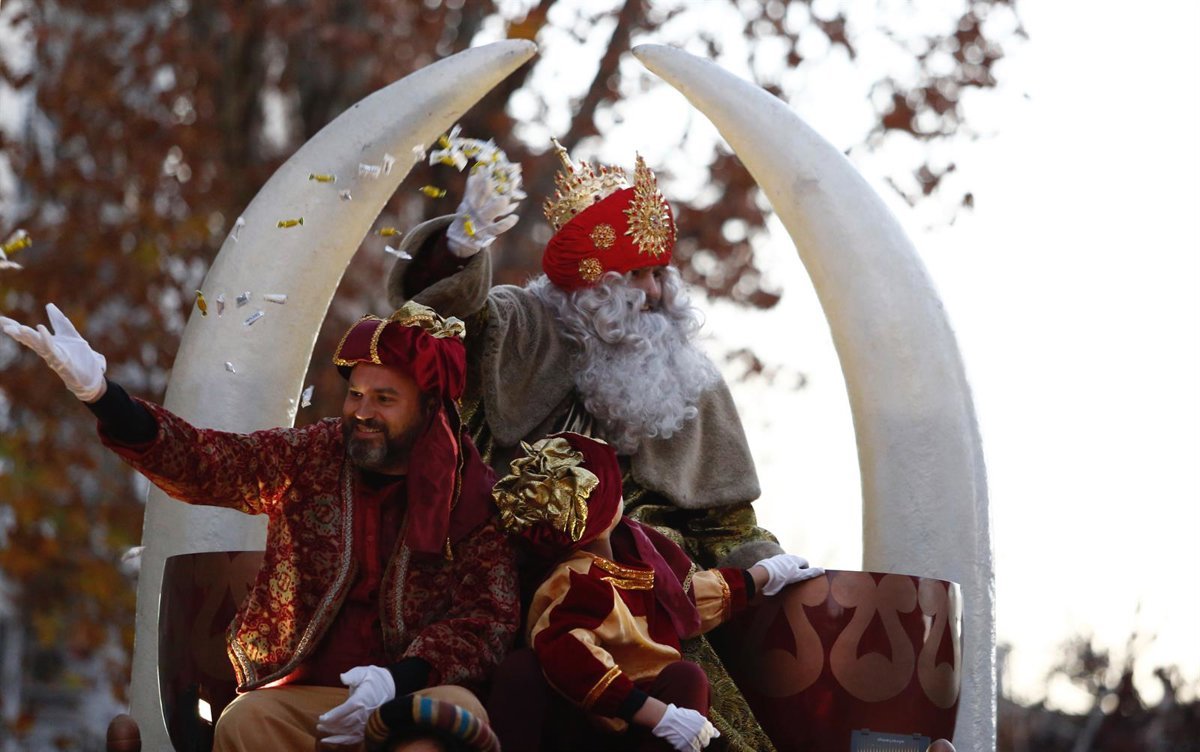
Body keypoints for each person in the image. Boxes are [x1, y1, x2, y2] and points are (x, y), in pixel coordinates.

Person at [391, 136, 801, 750]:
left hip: (655, 609)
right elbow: (443, 325)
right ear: (591, 280)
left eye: (659, 275)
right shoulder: (520, 328)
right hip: (515, 587)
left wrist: (767, 568)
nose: (655, 294)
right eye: (638, 275)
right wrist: (458, 249)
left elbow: (728, 523)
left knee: (709, 719)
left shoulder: (690, 375)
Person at [0, 301, 519, 751]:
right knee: (245, 722)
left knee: (454, 714)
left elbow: (485, 620)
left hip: (411, 696)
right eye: (355, 394)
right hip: (303, 701)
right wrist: (103, 397)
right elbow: (208, 463)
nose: (361, 412)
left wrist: (396, 681)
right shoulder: (312, 455)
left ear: (429, 408)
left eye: (384, 399)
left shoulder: (473, 496)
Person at [489, 432, 823, 751]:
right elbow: (569, 656)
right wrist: (655, 714)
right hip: (591, 718)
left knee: (687, 678)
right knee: (522, 670)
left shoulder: (633, 553)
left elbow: (682, 600)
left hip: (642, 711)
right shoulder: (577, 580)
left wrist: (763, 575)